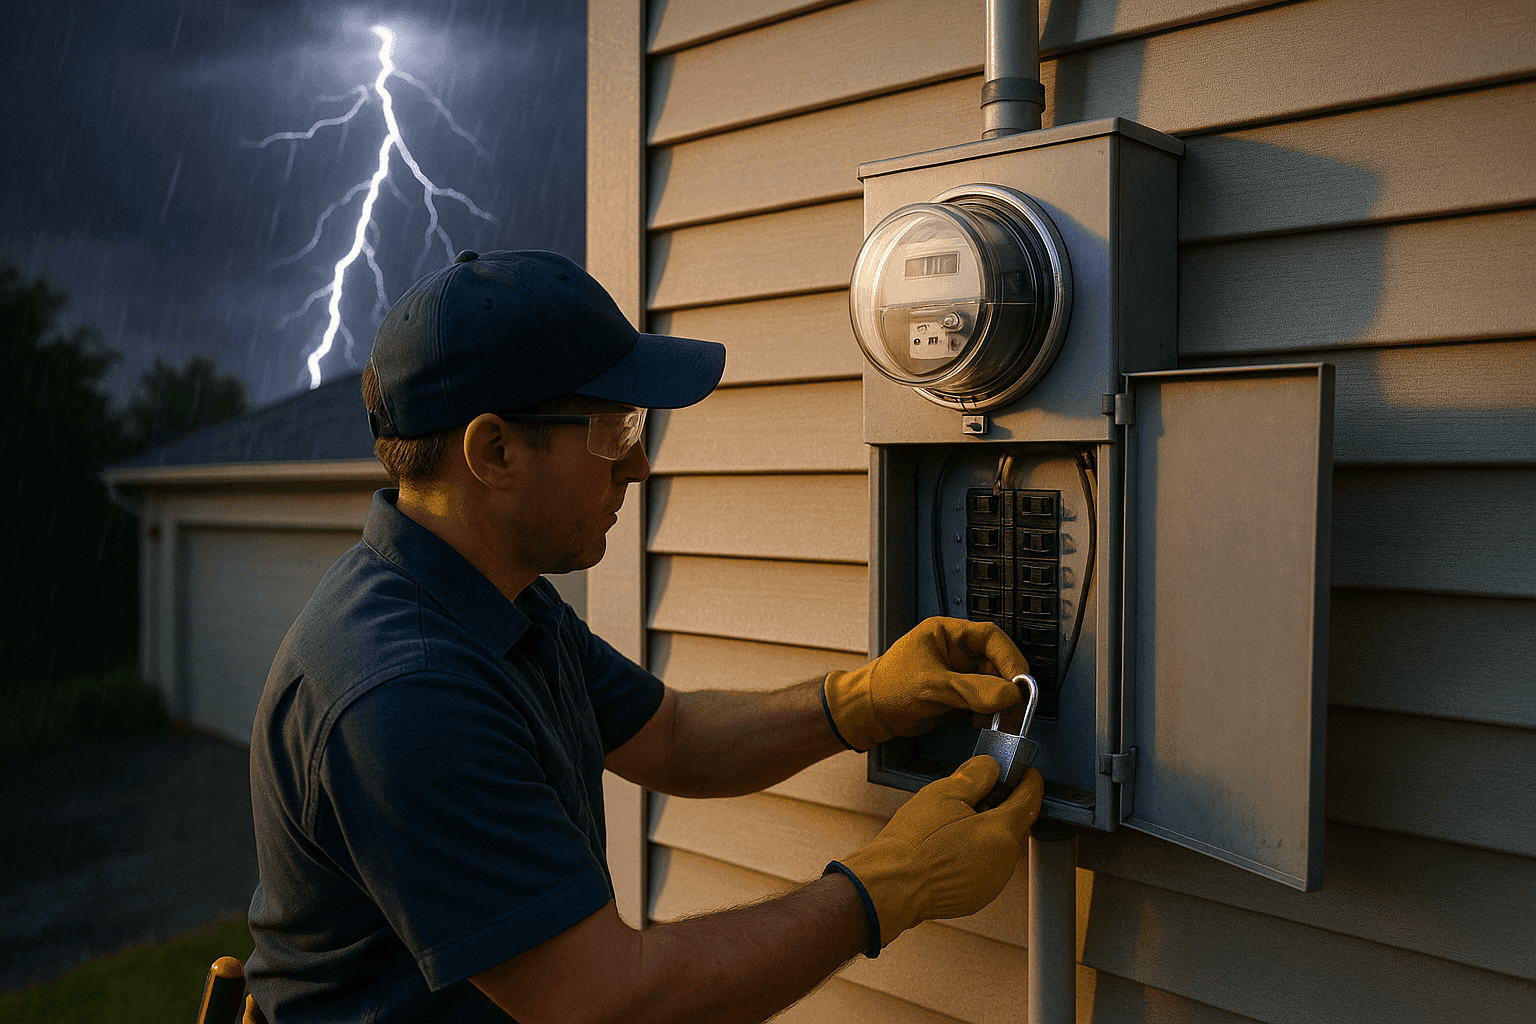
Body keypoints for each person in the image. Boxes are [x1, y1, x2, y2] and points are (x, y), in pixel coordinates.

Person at [245, 249, 1044, 1023]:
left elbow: (673, 736)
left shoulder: (500, 602)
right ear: (494, 450)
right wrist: (893, 885)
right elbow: (607, 1003)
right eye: (615, 428)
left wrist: (861, 701)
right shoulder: (405, 692)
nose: (637, 468)